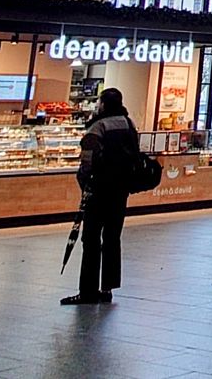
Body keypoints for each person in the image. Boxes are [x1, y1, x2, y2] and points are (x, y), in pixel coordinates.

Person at [63, 88, 139, 305]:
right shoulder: (128, 123)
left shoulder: (99, 125)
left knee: (91, 239)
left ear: (103, 104)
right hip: (120, 190)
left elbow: (87, 160)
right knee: (113, 239)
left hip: (98, 189)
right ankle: (108, 288)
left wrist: (84, 184)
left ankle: (87, 291)